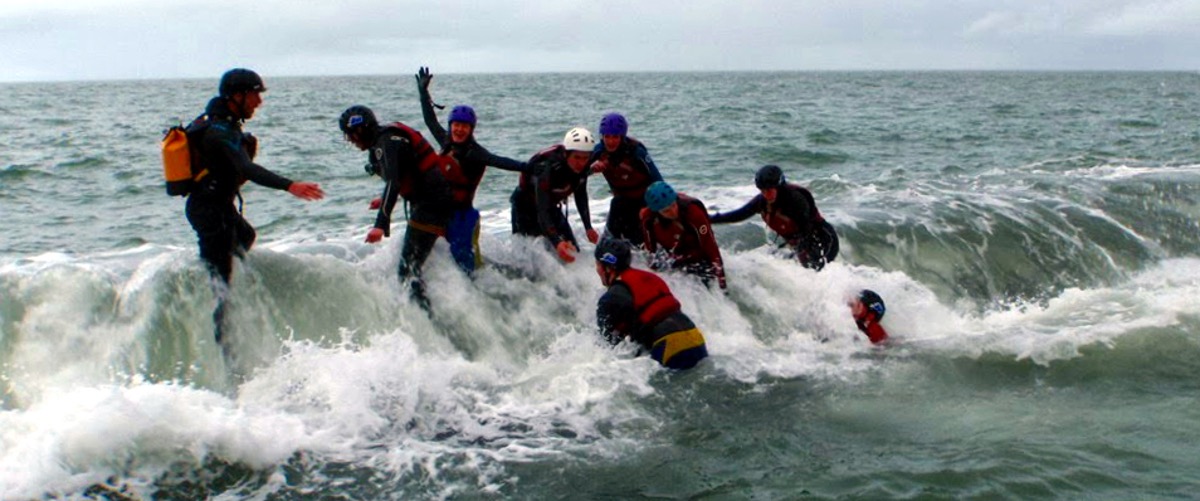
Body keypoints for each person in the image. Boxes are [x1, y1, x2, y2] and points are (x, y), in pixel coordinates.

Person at [184, 68, 324, 345]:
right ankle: (224, 344)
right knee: (221, 284)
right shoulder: (218, 132)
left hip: (220, 206)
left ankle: (221, 282)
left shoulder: (223, 123)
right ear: (236, 96)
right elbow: (247, 167)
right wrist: (289, 185)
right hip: (209, 211)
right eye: (254, 95)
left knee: (246, 237)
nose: (258, 102)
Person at [339, 104, 452, 312]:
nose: (352, 141)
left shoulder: (386, 142)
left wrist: (380, 225)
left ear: (360, 130)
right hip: (432, 201)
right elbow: (408, 175)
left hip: (431, 205)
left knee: (408, 272)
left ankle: (428, 323)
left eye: (351, 136)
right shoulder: (386, 139)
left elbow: (393, 182)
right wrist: (382, 201)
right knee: (414, 267)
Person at [415, 66, 527, 274]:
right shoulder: (446, 142)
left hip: (464, 218)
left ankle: (487, 290)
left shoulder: (475, 153)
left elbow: (499, 161)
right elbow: (430, 121)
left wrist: (527, 167)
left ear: (471, 129)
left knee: (466, 268)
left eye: (465, 126)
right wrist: (423, 93)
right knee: (440, 259)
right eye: (456, 125)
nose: (459, 129)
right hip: (442, 214)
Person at [593, 238, 708, 370]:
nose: (597, 270)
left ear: (607, 268)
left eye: (597, 265)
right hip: (695, 336)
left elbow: (608, 346)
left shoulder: (610, 298)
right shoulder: (650, 277)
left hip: (670, 345)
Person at [710, 165, 839, 271]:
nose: (766, 194)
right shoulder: (761, 202)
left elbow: (807, 230)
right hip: (800, 244)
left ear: (779, 187)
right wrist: (710, 219)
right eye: (763, 191)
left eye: (769, 190)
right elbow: (738, 215)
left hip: (824, 240)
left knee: (818, 273)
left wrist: (805, 256)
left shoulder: (795, 199)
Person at [510, 127, 600, 263]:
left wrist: (588, 227)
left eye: (585, 158)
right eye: (577, 157)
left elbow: (580, 195)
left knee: (573, 252)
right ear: (566, 154)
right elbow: (542, 209)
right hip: (525, 207)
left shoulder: (584, 166)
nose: (581, 163)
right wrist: (557, 242)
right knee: (530, 260)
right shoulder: (548, 167)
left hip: (551, 206)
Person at [588, 112, 664, 247]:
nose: (611, 141)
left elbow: (657, 180)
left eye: (615, 137)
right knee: (611, 236)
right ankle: (609, 255)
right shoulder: (598, 151)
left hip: (644, 202)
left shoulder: (636, 151)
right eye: (607, 137)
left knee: (638, 240)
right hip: (621, 201)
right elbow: (578, 173)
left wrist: (654, 208)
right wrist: (592, 169)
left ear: (622, 136)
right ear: (602, 136)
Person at [639, 181, 727, 290]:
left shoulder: (693, 213)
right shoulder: (648, 217)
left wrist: (722, 284)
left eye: (673, 205)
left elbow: (711, 248)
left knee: (706, 280)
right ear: (656, 211)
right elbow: (651, 251)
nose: (673, 212)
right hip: (673, 255)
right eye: (666, 211)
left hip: (697, 255)